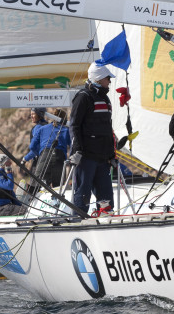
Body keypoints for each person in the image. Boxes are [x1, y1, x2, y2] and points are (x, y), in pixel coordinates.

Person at [68, 63, 116, 215]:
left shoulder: (106, 99)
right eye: (107, 78)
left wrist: (111, 155)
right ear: (99, 78)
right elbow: (74, 125)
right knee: (82, 194)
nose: (109, 81)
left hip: (103, 158)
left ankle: (105, 218)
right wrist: (77, 151)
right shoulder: (83, 97)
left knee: (106, 197)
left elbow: (108, 129)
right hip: (86, 157)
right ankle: (79, 220)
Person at [33, 108, 70, 188]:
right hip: (59, 158)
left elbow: (32, 146)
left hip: (44, 157)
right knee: (58, 188)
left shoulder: (42, 129)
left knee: (39, 187)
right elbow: (73, 146)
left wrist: (39, 153)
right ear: (64, 119)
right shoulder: (66, 130)